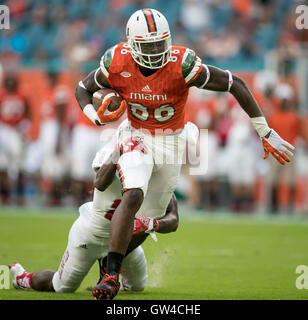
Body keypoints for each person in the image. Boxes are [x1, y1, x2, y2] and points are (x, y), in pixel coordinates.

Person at [75, 8, 295, 300]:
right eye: (147, 45)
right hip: (136, 133)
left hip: (171, 140)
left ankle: (110, 261)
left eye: (159, 44)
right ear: (131, 42)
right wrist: (96, 117)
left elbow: (235, 83)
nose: (154, 52)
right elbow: (82, 88)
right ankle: (112, 275)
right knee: (134, 192)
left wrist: (265, 131)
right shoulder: (116, 60)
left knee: (149, 217)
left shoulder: (181, 64)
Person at [9, 142, 179, 295]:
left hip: (124, 245)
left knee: (137, 287)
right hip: (92, 236)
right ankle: (23, 278)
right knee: (61, 286)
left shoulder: (157, 175)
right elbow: (99, 182)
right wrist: (118, 153)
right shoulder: (113, 154)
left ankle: (109, 269)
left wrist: (152, 224)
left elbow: (173, 219)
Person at [0, 74, 32, 205]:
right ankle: (5, 195)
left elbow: (28, 112)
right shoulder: (2, 95)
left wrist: (24, 127)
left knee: (19, 165)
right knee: (2, 165)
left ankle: (19, 194)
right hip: (4, 129)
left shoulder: (22, 95)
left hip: (17, 130)